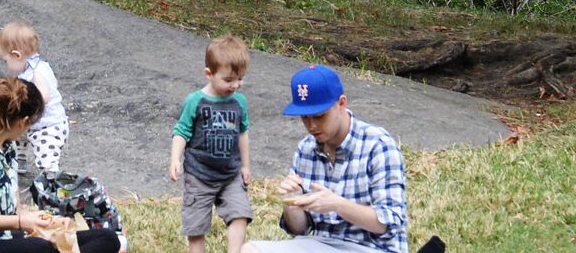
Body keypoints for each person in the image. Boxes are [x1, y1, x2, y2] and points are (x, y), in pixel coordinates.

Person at [0, 77, 120, 252]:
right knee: (39, 248)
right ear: (23, 122)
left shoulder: (7, 144)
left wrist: (48, 221)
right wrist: (20, 222)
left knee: (107, 238)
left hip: (2, 235)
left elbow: (13, 208)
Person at [247, 65, 408, 253]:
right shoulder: (305, 148)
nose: (312, 125)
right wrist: (292, 203)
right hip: (321, 244)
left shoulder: (378, 145)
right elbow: (299, 229)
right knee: (250, 249)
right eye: (304, 118)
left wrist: (336, 204)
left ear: (341, 103)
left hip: (373, 248)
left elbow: (387, 224)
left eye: (319, 116)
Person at [169, 34, 253, 253]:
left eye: (240, 79)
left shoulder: (239, 102)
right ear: (209, 74)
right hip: (199, 176)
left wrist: (245, 166)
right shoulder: (195, 101)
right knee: (196, 229)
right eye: (228, 80)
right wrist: (175, 159)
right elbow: (181, 132)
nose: (235, 85)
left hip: (230, 175)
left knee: (240, 214)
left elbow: (243, 133)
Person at [0, 21, 68, 176]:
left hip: (48, 126)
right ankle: (19, 161)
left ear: (16, 55)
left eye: (6, 60)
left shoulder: (37, 72)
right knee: (15, 134)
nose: (6, 65)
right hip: (31, 122)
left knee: (46, 159)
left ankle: (52, 180)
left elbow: (45, 96)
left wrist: (25, 99)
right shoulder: (31, 67)